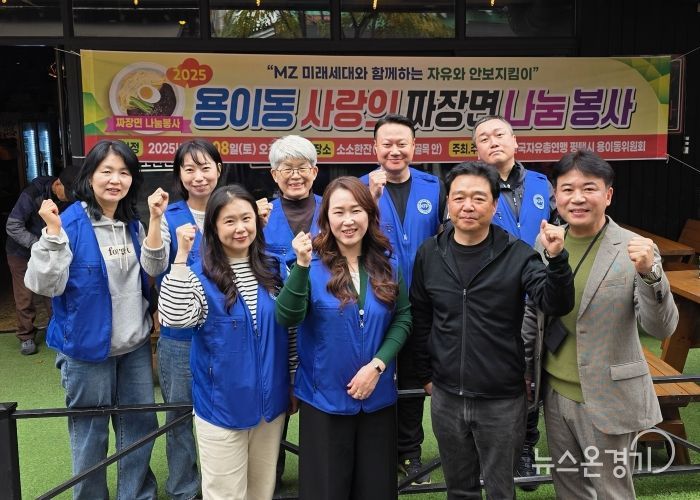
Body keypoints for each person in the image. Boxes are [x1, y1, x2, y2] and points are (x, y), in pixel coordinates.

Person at [410, 161, 574, 499]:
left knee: (501, 488)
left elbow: (554, 303)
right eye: (459, 197)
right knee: (459, 489)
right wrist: (426, 375)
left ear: (495, 204)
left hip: (501, 397)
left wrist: (557, 260)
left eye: (478, 198)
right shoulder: (430, 253)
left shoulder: (517, 254)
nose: (468, 206)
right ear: (448, 203)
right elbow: (421, 316)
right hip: (446, 395)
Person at [522, 150, 679, 499]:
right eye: (567, 189)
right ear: (555, 196)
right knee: (568, 487)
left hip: (608, 395)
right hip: (555, 392)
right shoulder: (546, 242)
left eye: (589, 188)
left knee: (612, 490)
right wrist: (526, 368)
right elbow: (535, 311)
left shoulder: (635, 249)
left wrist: (651, 274)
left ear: (608, 195)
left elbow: (661, 328)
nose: (577, 198)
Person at [24, 140, 167, 499]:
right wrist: (52, 236)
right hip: (86, 350)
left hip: (134, 346)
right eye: (107, 171)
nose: (116, 180)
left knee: (139, 426)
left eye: (124, 172)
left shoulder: (131, 223)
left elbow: (150, 271)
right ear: (89, 176)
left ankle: (136, 495)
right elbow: (43, 285)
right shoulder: (67, 223)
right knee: (91, 433)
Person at [275, 177, 412, 500]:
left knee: (376, 489)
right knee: (326, 490)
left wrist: (377, 366)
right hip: (323, 399)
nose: (348, 220)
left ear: (370, 214)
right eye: (338, 212)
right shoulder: (308, 265)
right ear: (326, 218)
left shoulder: (389, 264)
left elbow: (403, 317)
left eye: (356, 210)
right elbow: (287, 316)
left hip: (377, 398)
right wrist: (302, 266)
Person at [157, 184, 291, 500]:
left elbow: (291, 329)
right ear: (214, 228)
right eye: (229, 221)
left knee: (262, 491)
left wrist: (292, 381)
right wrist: (180, 257)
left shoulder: (274, 269)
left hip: (270, 406)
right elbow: (173, 317)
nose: (240, 228)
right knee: (225, 494)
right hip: (221, 407)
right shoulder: (198, 275)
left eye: (246, 218)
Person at [473, 114, 559, 486]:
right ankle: (486, 454)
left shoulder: (542, 184)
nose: (493, 141)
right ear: (476, 150)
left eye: (500, 134)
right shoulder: (471, 186)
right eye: (484, 138)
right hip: (492, 300)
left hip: (537, 298)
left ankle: (525, 449)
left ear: (515, 142)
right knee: (490, 376)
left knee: (532, 376)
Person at [361, 113, 444, 483]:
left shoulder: (433, 185)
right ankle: (375, 453)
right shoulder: (359, 188)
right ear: (375, 148)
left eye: (402, 143)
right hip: (374, 300)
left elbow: (445, 236)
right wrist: (371, 199)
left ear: (414, 146)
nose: (394, 150)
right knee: (374, 374)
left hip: (423, 302)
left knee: (412, 378)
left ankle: (410, 454)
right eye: (387, 144)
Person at [146, 139, 222, 500]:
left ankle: (221, 485)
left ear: (219, 169)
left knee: (223, 409)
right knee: (178, 414)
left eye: (205, 167)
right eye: (189, 169)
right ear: (179, 174)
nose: (198, 176)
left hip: (225, 331)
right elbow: (153, 266)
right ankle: (184, 489)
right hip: (180, 335)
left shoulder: (233, 208)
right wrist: (154, 218)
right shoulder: (169, 214)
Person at [259, 134, 321, 490]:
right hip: (275, 322)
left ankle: (319, 478)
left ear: (314, 171)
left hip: (323, 321)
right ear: (274, 174)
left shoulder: (334, 208)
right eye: (286, 168)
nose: (295, 175)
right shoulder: (261, 215)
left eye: (302, 167)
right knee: (275, 397)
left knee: (318, 400)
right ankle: (272, 480)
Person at [5, 166, 77, 355]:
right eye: (68, 193)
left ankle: (58, 332)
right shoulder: (32, 194)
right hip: (20, 252)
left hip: (51, 249)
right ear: (58, 184)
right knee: (24, 296)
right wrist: (39, 245)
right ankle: (26, 336)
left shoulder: (69, 199)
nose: (70, 199)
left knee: (54, 292)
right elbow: (12, 225)